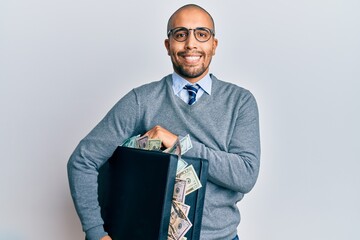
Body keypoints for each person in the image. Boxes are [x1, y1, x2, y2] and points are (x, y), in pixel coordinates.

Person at [67, 4, 260, 240]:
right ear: (168, 46)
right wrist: (96, 233)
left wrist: (179, 144)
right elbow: (83, 160)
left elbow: (246, 175)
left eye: (202, 34)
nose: (190, 43)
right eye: (180, 34)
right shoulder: (141, 100)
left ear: (214, 45)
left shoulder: (240, 101)